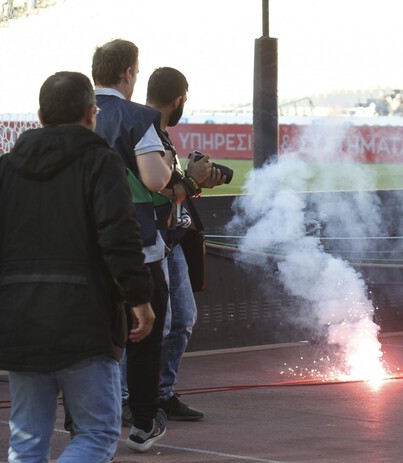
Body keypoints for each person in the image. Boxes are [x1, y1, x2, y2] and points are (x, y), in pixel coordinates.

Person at [0, 71, 156, 462]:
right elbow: (119, 235)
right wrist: (139, 298)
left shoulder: (8, 165)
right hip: (86, 319)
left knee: (27, 441)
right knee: (96, 434)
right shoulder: (101, 163)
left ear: (40, 115)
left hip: (20, 315)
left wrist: (8, 265)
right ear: (89, 114)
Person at [91, 39, 211, 453]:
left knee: (100, 335)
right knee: (144, 326)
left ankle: (92, 420)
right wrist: (190, 180)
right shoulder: (138, 118)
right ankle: (143, 419)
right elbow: (157, 184)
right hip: (138, 242)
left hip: (84, 244)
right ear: (128, 74)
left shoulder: (75, 113)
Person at [146, 67, 226, 421]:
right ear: (179, 99)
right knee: (155, 322)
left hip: (174, 239)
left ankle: (161, 393)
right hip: (154, 239)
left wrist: (196, 180)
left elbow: (169, 187)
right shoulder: (144, 133)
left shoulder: (157, 132)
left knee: (184, 318)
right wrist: (191, 183)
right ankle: (133, 396)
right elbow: (158, 191)